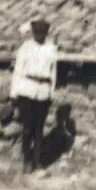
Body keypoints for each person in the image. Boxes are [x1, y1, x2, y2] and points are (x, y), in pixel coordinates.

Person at [10, 19, 59, 172]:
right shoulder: (26, 48)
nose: (40, 36)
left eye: (43, 33)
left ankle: (37, 161)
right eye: (37, 33)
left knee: (39, 128)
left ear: (46, 33)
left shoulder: (51, 49)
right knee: (27, 127)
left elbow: (53, 72)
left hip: (43, 90)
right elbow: (18, 69)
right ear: (33, 33)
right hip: (27, 89)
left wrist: (51, 92)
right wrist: (14, 91)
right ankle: (26, 159)